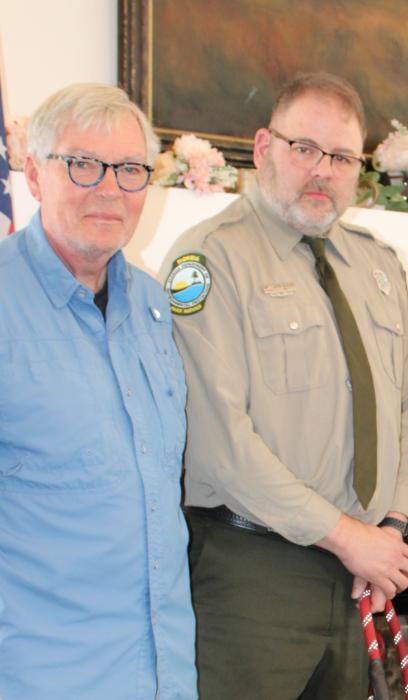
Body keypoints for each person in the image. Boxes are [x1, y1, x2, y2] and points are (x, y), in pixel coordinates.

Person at [159, 72, 408, 700]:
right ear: (262, 148)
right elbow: (220, 440)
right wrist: (350, 537)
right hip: (253, 575)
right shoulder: (208, 260)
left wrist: (391, 524)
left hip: (355, 578)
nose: (322, 171)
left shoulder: (378, 264)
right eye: (303, 149)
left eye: (340, 158)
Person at [0, 84, 196, 698]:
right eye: (83, 164)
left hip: (163, 672)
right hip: (43, 675)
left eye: (131, 169)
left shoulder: (153, 305)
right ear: (33, 175)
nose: (110, 188)